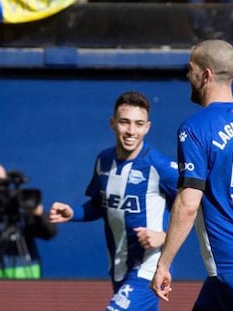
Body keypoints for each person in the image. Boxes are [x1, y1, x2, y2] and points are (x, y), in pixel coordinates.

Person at [151, 39, 233, 311]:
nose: (188, 76)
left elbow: (188, 204)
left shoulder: (196, 129)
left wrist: (163, 264)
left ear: (206, 75)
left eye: (191, 69)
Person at [50, 91, 179, 311]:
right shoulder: (104, 160)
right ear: (112, 124)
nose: (131, 131)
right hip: (119, 266)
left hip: (149, 267)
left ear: (147, 127)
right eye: (124, 122)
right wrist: (73, 213)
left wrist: (164, 236)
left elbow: (192, 205)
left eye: (139, 124)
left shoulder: (159, 166)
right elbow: (101, 205)